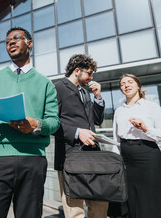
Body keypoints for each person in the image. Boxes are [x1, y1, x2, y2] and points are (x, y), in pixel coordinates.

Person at [0, 27, 60, 218]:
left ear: (29, 43)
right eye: (7, 41)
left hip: (33, 160)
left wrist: (36, 125)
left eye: (16, 38)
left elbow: (54, 122)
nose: (10, 43)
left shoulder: (45, 83)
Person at [53, 54, 108, 218]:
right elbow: (51, 123)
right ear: (77, 70)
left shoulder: (85, 92)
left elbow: (96, 120)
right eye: (89, 73)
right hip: (70, 155)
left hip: (92, 155)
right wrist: (77, 133)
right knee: (74, 210)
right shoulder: (58, 88)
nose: (91, 78)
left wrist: (98, 97)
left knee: (100, 204)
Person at [113, 74, 161, 218]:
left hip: (148, 159)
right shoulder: (118, 111)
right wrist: (115, 164)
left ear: (138, 85)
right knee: (130, 202)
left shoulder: (152, 107)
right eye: (122, 84)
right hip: (126, 162)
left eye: (130, 82)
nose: (126, 85)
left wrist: (146, 129)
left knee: (151, 201)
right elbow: (116, 141)